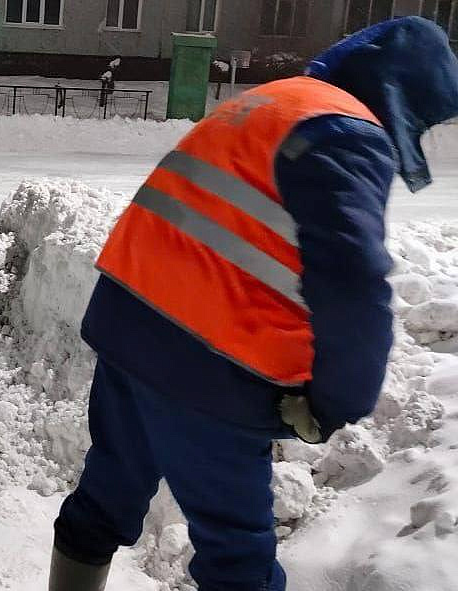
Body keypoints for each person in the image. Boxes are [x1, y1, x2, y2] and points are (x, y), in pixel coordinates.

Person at [49, 17, 458, 591]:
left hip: (129, 323)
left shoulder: (274, 99)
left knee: (108, 493)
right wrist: (338, 400)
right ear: (403, 94)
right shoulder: (345, 132)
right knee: (238, 562)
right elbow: (352, 280)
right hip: (208, 363)